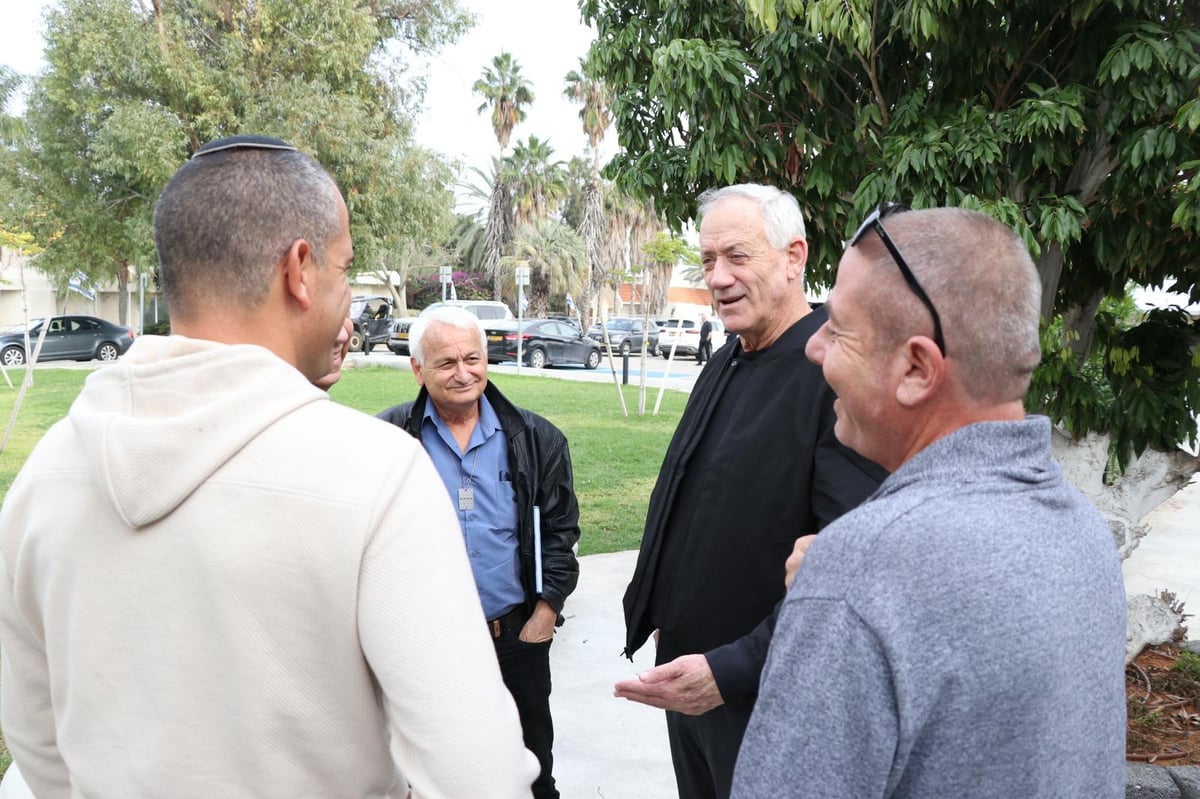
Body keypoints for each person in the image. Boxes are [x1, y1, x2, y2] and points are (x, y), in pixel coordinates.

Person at [0, 135, 538, 799]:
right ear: (301, 269)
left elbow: (37, 744)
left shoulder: (42, 477)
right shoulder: (375, 473)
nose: (347, 299)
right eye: (344, 269)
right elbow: (478, 776)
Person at [731, 205, 1127, 797]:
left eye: (838, 328)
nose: (814, 349)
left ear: (917, 368)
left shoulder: (862, 569)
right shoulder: (1083, 529)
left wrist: (842, 590)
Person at [614, 183, 887, 799]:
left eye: (737, 256)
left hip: (764, 697)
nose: (717, 277)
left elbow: (848, 569)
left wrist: (731, 668)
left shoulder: (831, 379)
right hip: (690, 682)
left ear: (794, 258)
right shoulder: (726, 359)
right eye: (708, 261)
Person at [377, 305, 581, 799]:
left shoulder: (538, 439)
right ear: (417, 369)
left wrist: (545, 614)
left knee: (531, 770)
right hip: (424, 645)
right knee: (429, 776)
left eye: (473, 358)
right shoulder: (388, 439)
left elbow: (560, 533)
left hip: (514, 635)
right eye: (446, 363)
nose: (463, 373)